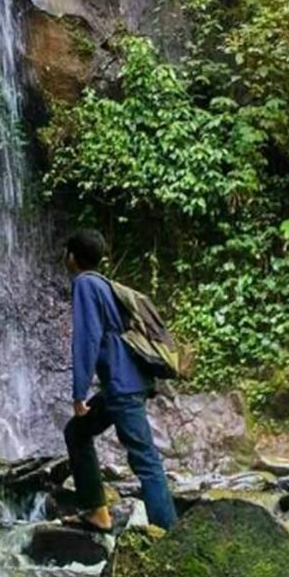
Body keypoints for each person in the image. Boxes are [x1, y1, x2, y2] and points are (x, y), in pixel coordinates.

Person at [59, 228, 177, 531]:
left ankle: (168, 533)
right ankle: (96, 512)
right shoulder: (105, 286)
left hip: (123, 387)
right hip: (121, 385)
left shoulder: (85, 284)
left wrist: (78, 393)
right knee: (77, 433)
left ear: (72, 257)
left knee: (145, 459)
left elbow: (87, 339)